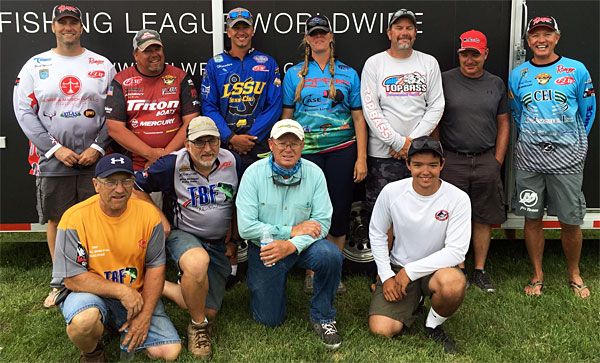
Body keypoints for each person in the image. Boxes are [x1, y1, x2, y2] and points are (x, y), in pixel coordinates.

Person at [13, 4, 116, 308]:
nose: (68, 27)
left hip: (94, 160)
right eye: (62, 22)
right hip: (52, 159)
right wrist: (55, 147)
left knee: (99, 218)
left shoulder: (101, 64)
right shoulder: (35, 65)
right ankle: (60, 282)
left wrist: (97, 147)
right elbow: (23, 112)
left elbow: (113, 112)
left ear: (81, 27)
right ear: (54, 27)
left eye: (73, 22)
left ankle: (96, 276)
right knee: (58, 220)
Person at [51, 154, 181, 362]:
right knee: (84, 321)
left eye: (126, 181)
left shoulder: (149, 215)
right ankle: (93, 352)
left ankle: (114, 324)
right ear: (96, 185)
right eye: (110, 182)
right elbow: (72, 278)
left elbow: (156, 267)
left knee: (169, 352)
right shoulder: (74, 219)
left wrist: (144, 316)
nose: (119, 189)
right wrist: (121, 291)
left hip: (136, 294)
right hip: (89, 292)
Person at [133, 116, 241, 359]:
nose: (207, 149)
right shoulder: (171, 163)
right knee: (196, 264)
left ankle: (158, 287)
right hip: (184, 234)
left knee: (208, 308)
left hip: (218, 243)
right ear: (187, 144)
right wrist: (158, 216)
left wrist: (233, 239)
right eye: (199, 142)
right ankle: (198, 327)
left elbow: (236, 202)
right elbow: (134, 187)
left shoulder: (233, 160)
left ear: (220, 141)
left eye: (212, 142)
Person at [236, 119, 344, 348]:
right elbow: (245, 228)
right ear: (271, 144)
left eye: (294, 143)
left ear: (302, 145)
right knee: (269, 320)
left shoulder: (315, 173)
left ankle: (323, 316)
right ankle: (272, 290)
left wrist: (292, 245)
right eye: (282, 143)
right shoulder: (252, 174)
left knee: (330, 255)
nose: (288, 149)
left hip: (304, 246)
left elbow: (322, 222)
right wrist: (290, 231)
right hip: (266, 248)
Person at [508, 16, 595, 298]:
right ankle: (537, 274)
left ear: (557, 37)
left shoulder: (576, 70)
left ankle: (574, 273)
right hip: (530, 159)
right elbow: (517, 114)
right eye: (535, 35)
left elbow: (588, 111)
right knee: (531, 218)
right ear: (528, 41)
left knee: (570, 220)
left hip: (567, 158)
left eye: (547, 34)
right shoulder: (518, 74)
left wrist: (575, 143)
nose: (540, 40)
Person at [281, 15, 367, 294]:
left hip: (342, 150)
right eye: (313, 34)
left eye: (323, 33)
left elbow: (358, 118)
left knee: (339, 208)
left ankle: (334, 270)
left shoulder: (348, 73)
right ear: (307, 39)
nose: (318, 38)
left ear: (331, 37)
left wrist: (362, 157)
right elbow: (287, 117)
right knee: (309, 210)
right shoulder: (295, 74)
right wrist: (283, 150)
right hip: (307, 153)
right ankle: (312, 272)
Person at [201, 6, 282, 287]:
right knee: (226, 205)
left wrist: (252, 135)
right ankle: (231, 266)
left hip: (258, 146)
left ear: (252, 30)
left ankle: (265, 262)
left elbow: (275, 105)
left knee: (262, 203)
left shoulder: (267, 62)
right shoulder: (215, 64)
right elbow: (209, 105)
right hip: (226, 147)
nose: (241, 32)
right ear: (227, 32)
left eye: (245, 26)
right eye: (235, 27)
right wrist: (230, 137)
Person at [368, 136, 470, 355]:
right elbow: (376, 232)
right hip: (398, 267)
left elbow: (456, 251)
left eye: (433, 165)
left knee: (453, 283)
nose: (426, 171)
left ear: (442, 164)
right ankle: (414, 301)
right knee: (382, 329)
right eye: (418, 165)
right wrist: (386, 276)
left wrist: (409, 272)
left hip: (437, 270)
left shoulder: (458, 198)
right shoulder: (391, 192)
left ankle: (433, 323)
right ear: (408, 164)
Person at [434, 30, 510, 292]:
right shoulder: (444, 80)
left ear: (485, 54)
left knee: (482, 218)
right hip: (452, 159)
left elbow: (504, 123)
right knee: (451, 217)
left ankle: (479, 270)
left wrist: (497, 160)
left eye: (475, 54)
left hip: (486, 160)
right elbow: (435, 121)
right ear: (459, 54)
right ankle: (457, 267)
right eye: (465, 54)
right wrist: (439, 155)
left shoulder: (497, 84)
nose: (469, 59)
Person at [360, 8, 445, 230]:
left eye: (409, 28)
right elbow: (371, 109)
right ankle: (383, 263)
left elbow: (437, 105)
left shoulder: (429, 63)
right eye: (399, 28)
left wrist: (411, 143)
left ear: (415, 33)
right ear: (389, 33)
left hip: (419, 154)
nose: (404, 32)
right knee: (382, 215)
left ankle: (414, 263)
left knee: (419, 213)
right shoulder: (374, 64)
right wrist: (397, 142)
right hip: (383, 155)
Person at [106, 29, 200, 171]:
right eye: (147, 51)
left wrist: (165, 157)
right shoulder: (121, 80)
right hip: (137, 164)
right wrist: (150, 154)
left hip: (178, 160)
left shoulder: (179, 76)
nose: (154, 55)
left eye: (157, 49)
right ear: (136, 55)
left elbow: (191, 121)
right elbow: (115, 128)